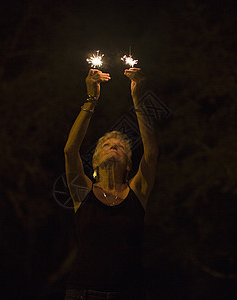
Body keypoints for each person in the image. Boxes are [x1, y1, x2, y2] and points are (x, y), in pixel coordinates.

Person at [64, 68, 158, 300]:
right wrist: (91, 99)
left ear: (128, 165)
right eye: (106, 145)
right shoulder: (83, 192)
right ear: (94, 162)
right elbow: (69, 150)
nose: (113, 146)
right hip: (83, 293)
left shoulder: (138, 191)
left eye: (120, 146)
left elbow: (152, 152)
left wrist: (138, 99)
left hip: (129, 293)